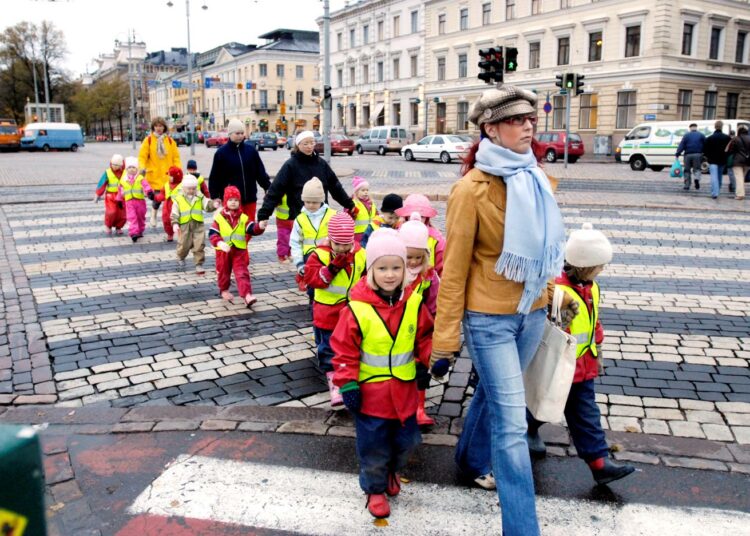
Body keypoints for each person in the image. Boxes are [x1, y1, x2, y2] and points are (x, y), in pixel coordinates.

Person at [431, 86, 576, 535]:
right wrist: (445, 339)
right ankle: (522, 527)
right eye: (516, 120)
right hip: (488, 319)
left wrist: (555, 292)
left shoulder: (535, 177)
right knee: (512, 427)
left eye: (530, 118)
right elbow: (453, 271)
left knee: (497, 395)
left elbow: (543, 251)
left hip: (531, 313)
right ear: (490, 128)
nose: (529, 126)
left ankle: (468, 457)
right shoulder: (470, 191)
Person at [330, 228, 433, 520]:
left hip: (404, 395)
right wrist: (347, 384)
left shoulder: (413, 302)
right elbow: (343, 351)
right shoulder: (357, 309)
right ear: (371, 269)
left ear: (405, 269)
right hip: (370, 399)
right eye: (383, 268)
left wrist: (431, 358)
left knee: (407, 442)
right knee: (373, 448)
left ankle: (393, 470)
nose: (390, 274)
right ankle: (375, 488)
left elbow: (425, 336)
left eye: (396, 267)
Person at [527, 223, 636, 485]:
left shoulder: (591, 287)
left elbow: (594, 320)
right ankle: (526, 431)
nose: (602, 270)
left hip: (581, 366)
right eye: (600, 266)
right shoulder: (559, 292)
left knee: (583, 413)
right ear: (586, 266)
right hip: (559, 365)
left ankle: (599, 463)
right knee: (543, 403)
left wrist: (597, 347)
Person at [303, 212, 366, 406]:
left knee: (352, 347)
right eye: (338, 245)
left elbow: (365, 277)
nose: (342, 249)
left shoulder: (360, 254)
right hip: (327, 314)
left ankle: (352, 378)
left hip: (352, 313)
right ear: (330, 240)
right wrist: (331, 269)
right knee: (329, 349)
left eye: (346, 245)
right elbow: (312, 280)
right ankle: (334, 383)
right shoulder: (319, 255)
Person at [256, 130, 357, 230]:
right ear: (298, 145)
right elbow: (275, 190)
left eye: (312, 143)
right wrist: (263, 215)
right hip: (299, 216)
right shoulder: (290, 165)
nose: (309, 146)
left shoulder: (322, 164)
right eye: (305, 144)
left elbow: (335, 187)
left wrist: (349, 204)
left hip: (321, 216)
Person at [400, 213, 440, 427]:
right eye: (409, 257)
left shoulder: (429, 276)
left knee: (421, 369)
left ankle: (419, 407)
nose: (414, 262)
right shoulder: (393, 272)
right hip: (398, 329)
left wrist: (434, 322)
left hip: (422, 329)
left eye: (418, 257)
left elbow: (434, 300)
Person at [209, 186, 264, 308]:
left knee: (242, 272)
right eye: (230, 200)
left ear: (239, 202)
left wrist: (260, 226)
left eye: (236, 200)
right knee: (223, 272)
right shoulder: (219, 218)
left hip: (239, 251)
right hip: (223, 252)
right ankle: (224, 289)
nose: (233, 202)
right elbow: (212, 234)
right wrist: (219, 243)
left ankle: (247, 295)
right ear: (225, 202)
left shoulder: (243, 218)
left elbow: (251, 228)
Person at [208, 118, 271, 221]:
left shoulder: (251, 151)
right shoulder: (221, 153)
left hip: (250, 198)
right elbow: (215, 177)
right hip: (231, 200)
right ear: (230, 134)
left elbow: (260, 172)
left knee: (248, 229)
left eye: (242, 133)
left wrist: (267, 187)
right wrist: (215, 196)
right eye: (237, 133)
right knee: (234, 229)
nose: (240, 136)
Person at [138, 117, 182, 228]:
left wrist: (178, 170)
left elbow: (176, 157)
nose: (159, 128)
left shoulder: (170, 141)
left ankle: (171, 220)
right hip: (155, 175)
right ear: (153, 127)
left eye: (161, 126)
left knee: (171, 200)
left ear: (164, 127)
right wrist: (142, 168)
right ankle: (153, 215)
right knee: (157, 198)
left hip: (168, 176)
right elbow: (142, 157)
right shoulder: (148, 140)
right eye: (156, 126)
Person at [291, 178, 336, 281]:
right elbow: (295, 242)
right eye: (307, 202)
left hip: (328, 257)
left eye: (315, 202)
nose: (311, 205)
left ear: (321, 200)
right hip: (309, 258)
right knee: (311, 288)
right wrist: (299, 262)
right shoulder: (300, 219)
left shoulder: (332, 215)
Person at [171, 174, 217, 274]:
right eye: (189, 188)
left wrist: (213, 205)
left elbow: (207, 205)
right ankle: (181, 257)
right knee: (184, 245)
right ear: (183, 188)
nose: (192, 190)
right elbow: (174, 212)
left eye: (193, 188)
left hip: (198, 225)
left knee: (199, 245)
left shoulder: (200, 197)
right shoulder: (178, 199)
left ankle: (198, 264)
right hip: (184, 226)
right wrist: (175, 223)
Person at [395, 194, 445, 276]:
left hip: (427, 285)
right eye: (410, 216)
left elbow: (442, 267)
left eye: (422, 216)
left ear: (426, 218)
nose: (416, 220)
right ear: (406, 217)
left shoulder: (436, 239)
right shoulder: (397, 235)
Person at [117, 157, 154, 243]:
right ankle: (133, 233)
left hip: (140, 202)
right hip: (129, 202)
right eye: (129, 167)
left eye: (133, 167)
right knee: (132, 217)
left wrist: (149, 193)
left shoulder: (140, 178)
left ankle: (140, 230)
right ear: (126, 169)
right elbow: (120, 190)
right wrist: (119, 199)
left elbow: (146, 185)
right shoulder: (123, 180)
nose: (131, 169)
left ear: (137, 169)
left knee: (140, 217)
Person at [94, 154, 127, 235]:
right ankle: (108, 226)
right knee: (111, 212)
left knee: (122, 214)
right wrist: (97, 194)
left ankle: (119, 227)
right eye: (113, 164)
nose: (114, 166)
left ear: (121, 165)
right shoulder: (108, 172)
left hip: (122, 196)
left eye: (117, 165)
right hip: (111, 196)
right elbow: (102, 183)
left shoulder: (125, 172)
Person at [153, 166, 183, 242]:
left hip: (178, 206)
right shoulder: (166, 185)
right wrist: (156, 198)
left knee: (180, 220)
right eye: (168, 176)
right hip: (167, 206)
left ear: (176, 177)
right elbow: (162, 194)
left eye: (170, 176)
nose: (169, 177)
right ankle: (170, 233)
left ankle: (181, 234)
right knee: (166, 220)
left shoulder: (182, 186)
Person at [704, 121, 731, 199]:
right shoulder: (727, 138)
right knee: (719, 176)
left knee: (714, 177)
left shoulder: (709, 138)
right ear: (722, 127)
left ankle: (715, 193)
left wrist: (708, 157)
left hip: (712, 160)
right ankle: (717, 190)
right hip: (722, 160)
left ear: (715, 127)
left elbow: (705, 150)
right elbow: (729, 150)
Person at [675, 123, 706, 191]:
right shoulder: (701, 135)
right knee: (697, 169)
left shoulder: (686, 135)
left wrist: (678, 153)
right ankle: (696, 179)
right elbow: (705, 144)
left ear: (690, 128)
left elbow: (682, 145)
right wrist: (704, 153)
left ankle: (687, 185)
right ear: (696, 127)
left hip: (688, 155)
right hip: (698, 154)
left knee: (687, 170)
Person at [351, 176, 377, 242]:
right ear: (356, 192)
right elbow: (348, 217)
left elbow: (376, 215)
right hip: (358, 234)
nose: (366, 192)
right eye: (363, 190)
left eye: (367, 190)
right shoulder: (353, 203)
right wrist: (352, 213)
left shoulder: (371, 203)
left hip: (371, 232)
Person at [729, 125, 750, 201]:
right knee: (742, 178)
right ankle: (741, 193)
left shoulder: (735, 139)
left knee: (739, 178)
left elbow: (731, 150)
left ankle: (740, 195)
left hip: (737, 161)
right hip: (747, 161)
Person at [275, 194, 293, 263]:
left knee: (292, 237)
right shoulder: (280, 189)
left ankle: (289, 253)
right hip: (282, 219)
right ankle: (281, 256)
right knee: (283, 238)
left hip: (293, 218)